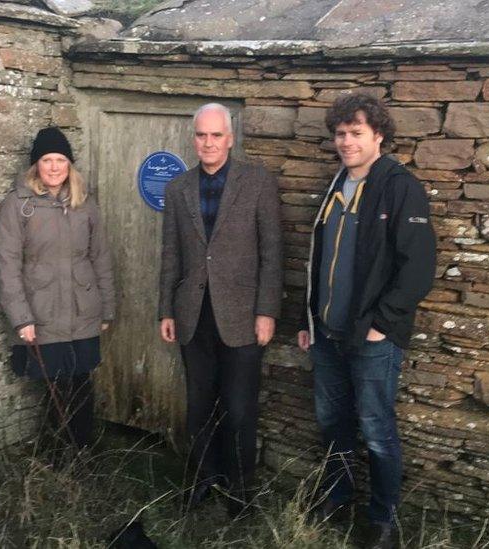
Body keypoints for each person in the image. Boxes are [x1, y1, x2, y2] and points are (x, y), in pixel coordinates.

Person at [297, 94, 435, 548]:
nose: (346, 141)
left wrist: (383, 322)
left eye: (356, 133)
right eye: (340, 133)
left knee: (376, 428)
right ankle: (337, 499)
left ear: (378, 135)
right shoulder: (335, 184)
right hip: (328, 333)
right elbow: (319, 260)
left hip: (372, 336)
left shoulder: (399, 186)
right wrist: (309, 318)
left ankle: (383, 522)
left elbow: (418, 265)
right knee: (332, 421)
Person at [158, 103, 283, 517]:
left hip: (242, 317)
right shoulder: (178, 188)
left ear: (230, 138)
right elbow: (171, 255)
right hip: (193, 315)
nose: (208, 143)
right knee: (198, 407)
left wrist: (267, 310)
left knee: (240, 408)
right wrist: (167, 310)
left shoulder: (257, 182)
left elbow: (272, 252)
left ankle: (240, 492)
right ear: (193, 138)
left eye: (216, 135)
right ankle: (201, 481)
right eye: (201, 135)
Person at [0, 126, 115, 451]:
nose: (53, 167)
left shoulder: (85, 204)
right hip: (42, 315)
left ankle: (84, 452)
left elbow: (100, 256)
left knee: (81, 383)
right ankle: (57, 456)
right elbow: (7, 266)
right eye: (47, 160)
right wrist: (22, 318)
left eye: (60, 160)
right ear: (36, 165)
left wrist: (106, 308)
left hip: (82, 311)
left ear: (69, 165)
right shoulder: (18, 205)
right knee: (55, 388)